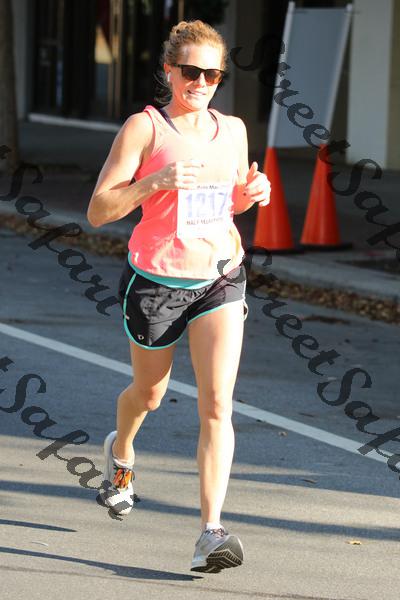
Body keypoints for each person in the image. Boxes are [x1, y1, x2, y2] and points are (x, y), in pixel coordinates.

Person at [87, 19, 270, 574]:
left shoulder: (232, 129)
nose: (201, 82)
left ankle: (211, 532)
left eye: (212, 74)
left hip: (220, 276)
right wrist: (153, 183)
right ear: (169, 70)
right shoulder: (144, 128)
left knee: (217, 404)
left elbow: (229, 201)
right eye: (190, 71)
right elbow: (98, 210)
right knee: (149, 394)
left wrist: (252, 193)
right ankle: (121, 452)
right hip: (156, 281)